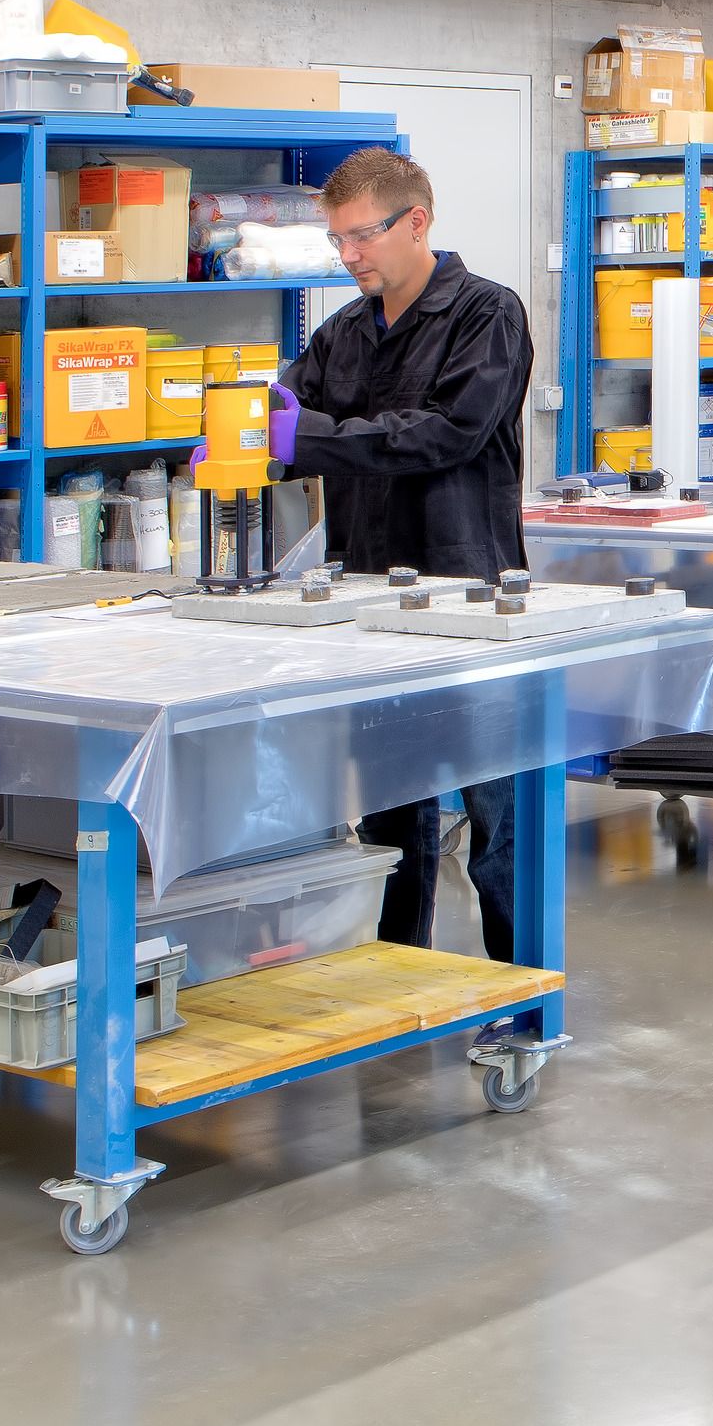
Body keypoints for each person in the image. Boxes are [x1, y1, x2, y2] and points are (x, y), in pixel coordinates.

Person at [273, 147, 536, 959]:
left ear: (416, 221)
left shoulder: (488, 315)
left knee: (497, 812)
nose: (348, 256)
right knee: (390, 807)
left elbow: (447, 434)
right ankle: (398, 975)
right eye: (338, 241)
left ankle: (519, 989)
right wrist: (249, 429)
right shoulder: (344, 332)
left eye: (362, 237)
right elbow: (285, 410)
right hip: (367, 593)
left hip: (467, 593)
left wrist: (306, 436)